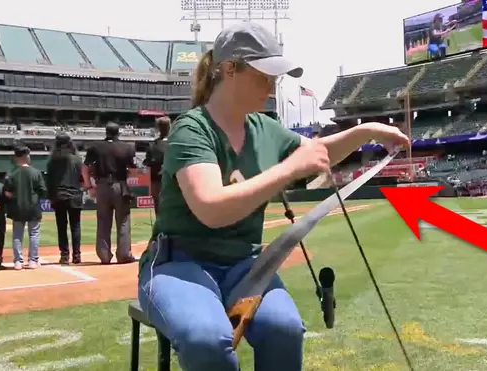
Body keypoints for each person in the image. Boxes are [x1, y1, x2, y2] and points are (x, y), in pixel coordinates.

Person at [137, 21, 410, 371]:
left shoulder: (264, 127)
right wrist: (289, 168)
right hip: (178, 264)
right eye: (263, 76)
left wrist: (366, 131)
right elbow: (211, 209)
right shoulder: (193, 129)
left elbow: (317, 152)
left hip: (245, 266)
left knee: (284, 329)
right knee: (206, 338)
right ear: (229, 69)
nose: (272, 86)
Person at [82, 122, 137, 265]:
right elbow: (132, 170)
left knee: (103, 221)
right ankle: (124, 254)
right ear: (118, 132)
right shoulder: (127, 147)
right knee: (123, 220)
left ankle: (104, 256)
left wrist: (89, 186)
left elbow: (85, 168)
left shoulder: (95, 147)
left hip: (101, 186)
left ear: (106, 132)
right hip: (120, 185)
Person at [3, 145, 47, 270]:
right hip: (33, 207)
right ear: (26, 156)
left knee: (17, 235)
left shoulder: (12, 174)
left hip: (17, 207)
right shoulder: (36, 172)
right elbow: (43, 191)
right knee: (34, 234)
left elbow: (7, 193)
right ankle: (33, 260)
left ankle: (18, 261)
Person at [47, 133, 84, 265]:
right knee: (75, 226)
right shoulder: (77, 159)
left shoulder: (52, 160)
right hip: (75, 194)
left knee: (61, 227)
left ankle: (64, 255)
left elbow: (49, 181)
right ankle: (77, 255)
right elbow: (82, 179)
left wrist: (51, 197)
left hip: (59, 195)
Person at [143, 116, 171, 214]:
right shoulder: (175, 144)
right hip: (173, 181)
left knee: (158, 207)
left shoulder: (153, 145)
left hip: (157, 181)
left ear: (158, 128)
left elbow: (147, 162)